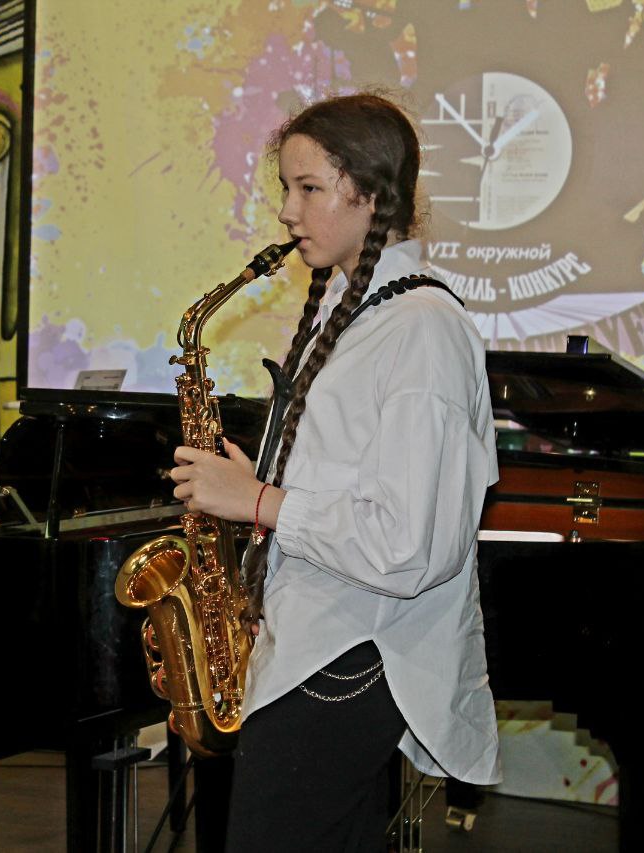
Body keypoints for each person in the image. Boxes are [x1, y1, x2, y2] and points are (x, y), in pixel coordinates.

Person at [170, 93, 501, 851]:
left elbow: (408, 546)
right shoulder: (358, 313)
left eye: (309, 187)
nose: (287, 211)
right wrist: (256, 494)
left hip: (350, 654)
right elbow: (350, 483)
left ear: (372, 194)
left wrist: (259, 501)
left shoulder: (422, 332)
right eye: (287, 188)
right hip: (322, 645)